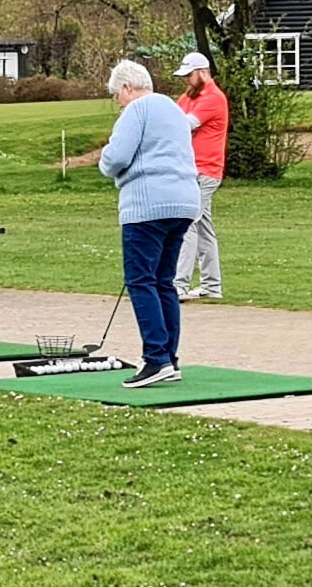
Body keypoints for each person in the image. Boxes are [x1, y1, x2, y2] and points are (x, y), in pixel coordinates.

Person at [97, 59, 203, 388]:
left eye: (117, 95)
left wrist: (104, 156)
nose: (118, 102)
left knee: (141, 281)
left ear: (128, 88)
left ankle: (155, 358)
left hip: (147, 206)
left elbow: (116, 158)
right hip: (183, 202)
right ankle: (170, 358)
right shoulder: (174, 110)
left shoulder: (136, 110)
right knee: (163, 281)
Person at [171, 51, 230, 301]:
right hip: (190, 169)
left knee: (187, 224)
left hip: (205, 171)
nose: (186, 79)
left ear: (203, 72)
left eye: (189, 75)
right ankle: (212, 286)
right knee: (204, 228)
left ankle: (179, 284)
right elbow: (172, 117)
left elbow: (183, 124)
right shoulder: (188, 97)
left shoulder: (214, 98)